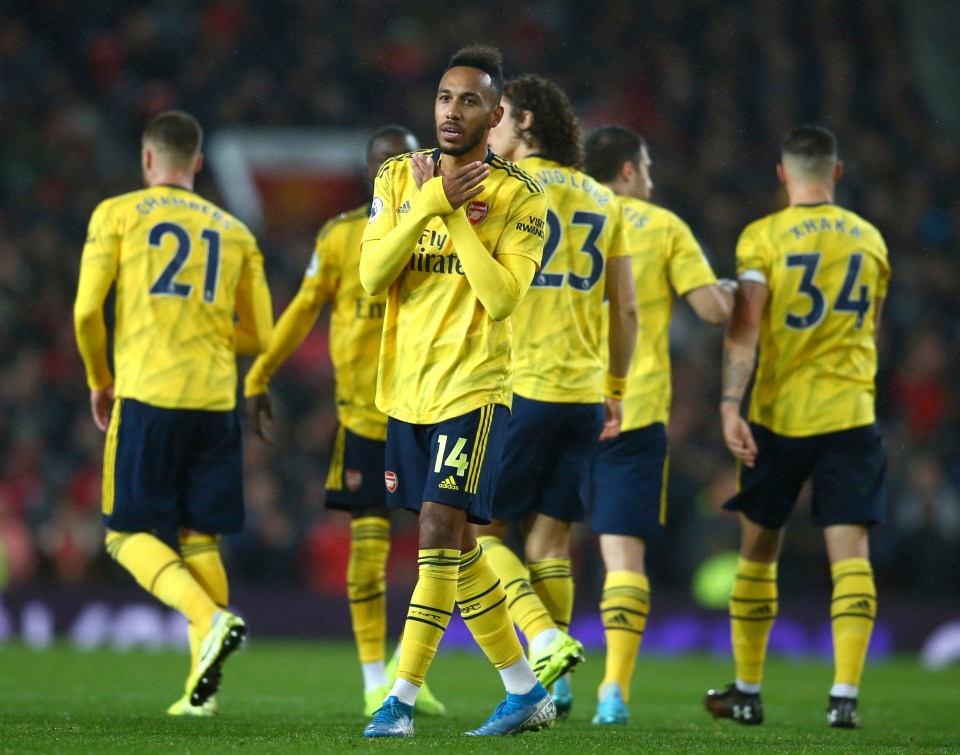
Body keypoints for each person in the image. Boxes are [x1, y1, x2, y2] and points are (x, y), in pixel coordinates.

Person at [358, 45, 554, 738]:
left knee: (439, 530)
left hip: (475, 388)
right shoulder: (395, 176)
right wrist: (427, 204)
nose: (452, 110)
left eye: (469, 100)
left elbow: (502, 298)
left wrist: (448, 219)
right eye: (444, 97)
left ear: (494, 114)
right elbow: (372, 275)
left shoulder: (522, 197)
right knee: (460, 546)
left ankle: (399, 700)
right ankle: (524, 688)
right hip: (405, 389)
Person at [73, 110, 274, 715]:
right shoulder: (235, 230)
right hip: (214, 401)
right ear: (199, 164)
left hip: (149, 392)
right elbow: (260, 333)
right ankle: (200, 696)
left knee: (124, 534)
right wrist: (207, 333)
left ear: (146, 161)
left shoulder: (116, 215)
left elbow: (86, 313)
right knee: (199, 537)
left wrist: (99, 380)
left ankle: (210, 618)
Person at [244, 124, 446, 718]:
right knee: (368, 551)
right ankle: (372, 679)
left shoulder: (437, 230)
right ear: (370, 171)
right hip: (364, 419)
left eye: (405, 160)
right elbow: (303, 308)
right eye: (386, 162)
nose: (396, 170)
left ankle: (416, 676)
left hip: (428, 412)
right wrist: (259, 374)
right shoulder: (339, 238)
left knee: (448, 548)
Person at [704, 125, 890, 729]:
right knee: (851, 558)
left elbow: (746, 325)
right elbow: (874, 329)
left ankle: (750, 690)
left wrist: (731, 404)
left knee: (758, 554)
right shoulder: (872, 241)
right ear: (835, 173)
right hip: (851, 417)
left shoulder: (765, 237)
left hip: (779, 418)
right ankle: (844, 697)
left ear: (783, 174)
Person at [478, 75, 639, 719]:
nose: (490, 128)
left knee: (476, 532)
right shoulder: (604, 198)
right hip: (581, 392)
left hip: (518, 386)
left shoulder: (503, 188)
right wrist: (616, 389)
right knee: (549, 543)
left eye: (499, 118)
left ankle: (543, 642)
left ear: (524, 121)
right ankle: (562, 683)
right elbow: (623, 308)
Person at [582, 125, 735, 725]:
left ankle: (548, 673)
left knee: (548, 546)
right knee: (624, 556)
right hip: (637, 411)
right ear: (625, 171)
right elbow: (712, 311)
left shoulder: (558, 214)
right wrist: (732, 287)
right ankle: (612, 690)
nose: (650, 177)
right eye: (644, 166)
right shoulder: (663, 227)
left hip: (557, 403)